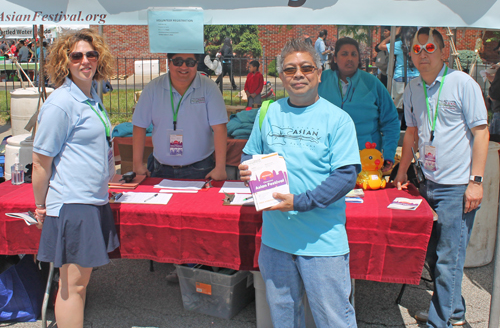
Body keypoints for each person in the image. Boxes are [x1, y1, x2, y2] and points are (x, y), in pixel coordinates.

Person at [239, 39, 360, 328]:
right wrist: (246, 170)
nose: (298, 75)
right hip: (276, 241)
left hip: (322, 243)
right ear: (281, 76)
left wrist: (300, 202)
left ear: (319, 73)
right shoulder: (268, 113)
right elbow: (249, 154)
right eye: (290, 69)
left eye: (306, 68)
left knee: (334, 320)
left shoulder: (338, 120)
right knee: (284, 319)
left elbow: (346, 176)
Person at [394, 27, 489, 328]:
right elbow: (411, 134)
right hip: (427, 184)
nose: (423, 54)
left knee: (449, 259)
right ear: (410, 55)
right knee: (434, 256)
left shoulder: (462, 83)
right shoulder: (412, 88)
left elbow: (481, 132)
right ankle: (454, 311)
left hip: (457, 187)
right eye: (417, 49)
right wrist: (400, 172)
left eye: (430, 48)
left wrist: (476, 181)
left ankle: (441, 321)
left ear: (444, 51)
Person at [32, 29, 119, 328]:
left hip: (91, 200)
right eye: (77, 56)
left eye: (91, 54)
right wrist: (40, 205)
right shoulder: (60, 103)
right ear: (64, 61)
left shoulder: (91, 97)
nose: (85, 61)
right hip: (72, 204)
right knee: (73, 287)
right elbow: (40, 162)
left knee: (79, 284)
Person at [132, 52, 229, 281]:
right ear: (168, 63)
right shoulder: (154, 88)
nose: (183, 67)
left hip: (199, 167)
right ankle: (174, 259)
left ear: (197, 64)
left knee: (195, 221)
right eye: (178, 61)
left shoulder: (208, 88)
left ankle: (191, 265)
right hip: (161, 168)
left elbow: (220, 128)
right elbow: (138, 126)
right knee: (165, 220)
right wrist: (137, 163)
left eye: (190, 62)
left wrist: (221, 167)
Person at [319, 37, 400, 170]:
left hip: (365, 160)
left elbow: (391, 121)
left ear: (359, 59)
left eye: (354, 54)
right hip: (326, 159)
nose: (349, 58)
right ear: (335, 58)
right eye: (344, 54)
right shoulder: (320, 81)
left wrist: (389, 154)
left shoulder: (372, 83)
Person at [378, 26, 420, 113]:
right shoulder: (418, 45)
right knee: (415, 106)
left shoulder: (399, 44)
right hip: (416, 76)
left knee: (398, 107)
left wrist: (394, 35)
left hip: (400, 77)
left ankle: (400, 125)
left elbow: (380, 46)